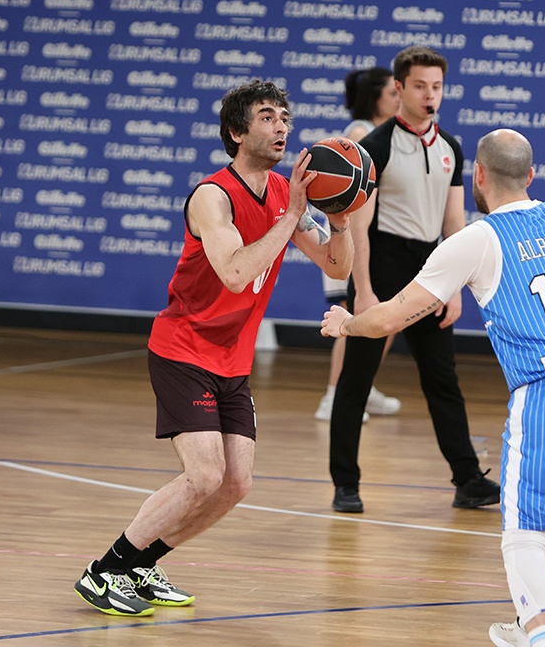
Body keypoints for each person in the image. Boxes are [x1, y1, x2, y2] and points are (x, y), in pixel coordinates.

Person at [322, 83, 545, 647]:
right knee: (542, 509)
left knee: (520, 532)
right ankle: (525, 627)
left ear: (477, 178)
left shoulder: (476, 240)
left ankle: (544, 635)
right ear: (532, 176)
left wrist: (346, 323)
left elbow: (391, 316)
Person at [73, 80, 353, 617]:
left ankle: (141, 565)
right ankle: (104, 571)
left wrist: (340, 220)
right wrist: (291, 216)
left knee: (235, 485)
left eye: (285, 118)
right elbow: (235, 272)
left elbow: (338, 267)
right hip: (184, 349)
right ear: (236, 132)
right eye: (267, 117)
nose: (281, 126)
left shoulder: (283, 193)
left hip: (232, 359)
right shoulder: (212, 196)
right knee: (203, 476)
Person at [328, 46, 499, 514]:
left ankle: (468, 480)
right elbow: (359, 228)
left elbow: (454, 225)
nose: (430, 95)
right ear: (399, 88)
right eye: (420, 86)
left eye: (437, 86)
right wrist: (364, 291)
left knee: (443, 379)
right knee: (356, 380)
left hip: (430, 268)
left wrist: (456, 289)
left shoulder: (451, 148)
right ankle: (346, 484)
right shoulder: (375, 146)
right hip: (380, 264)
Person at [315, 66, 401, 422]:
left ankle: (361, 388)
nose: (399, 98)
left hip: (378, 242)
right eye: (392, 93)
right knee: (350, 320)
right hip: (350, 239)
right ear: (375, 99)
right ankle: (334, 396)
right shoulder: (361, 134)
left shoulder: (393, 134)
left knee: (387, 320)